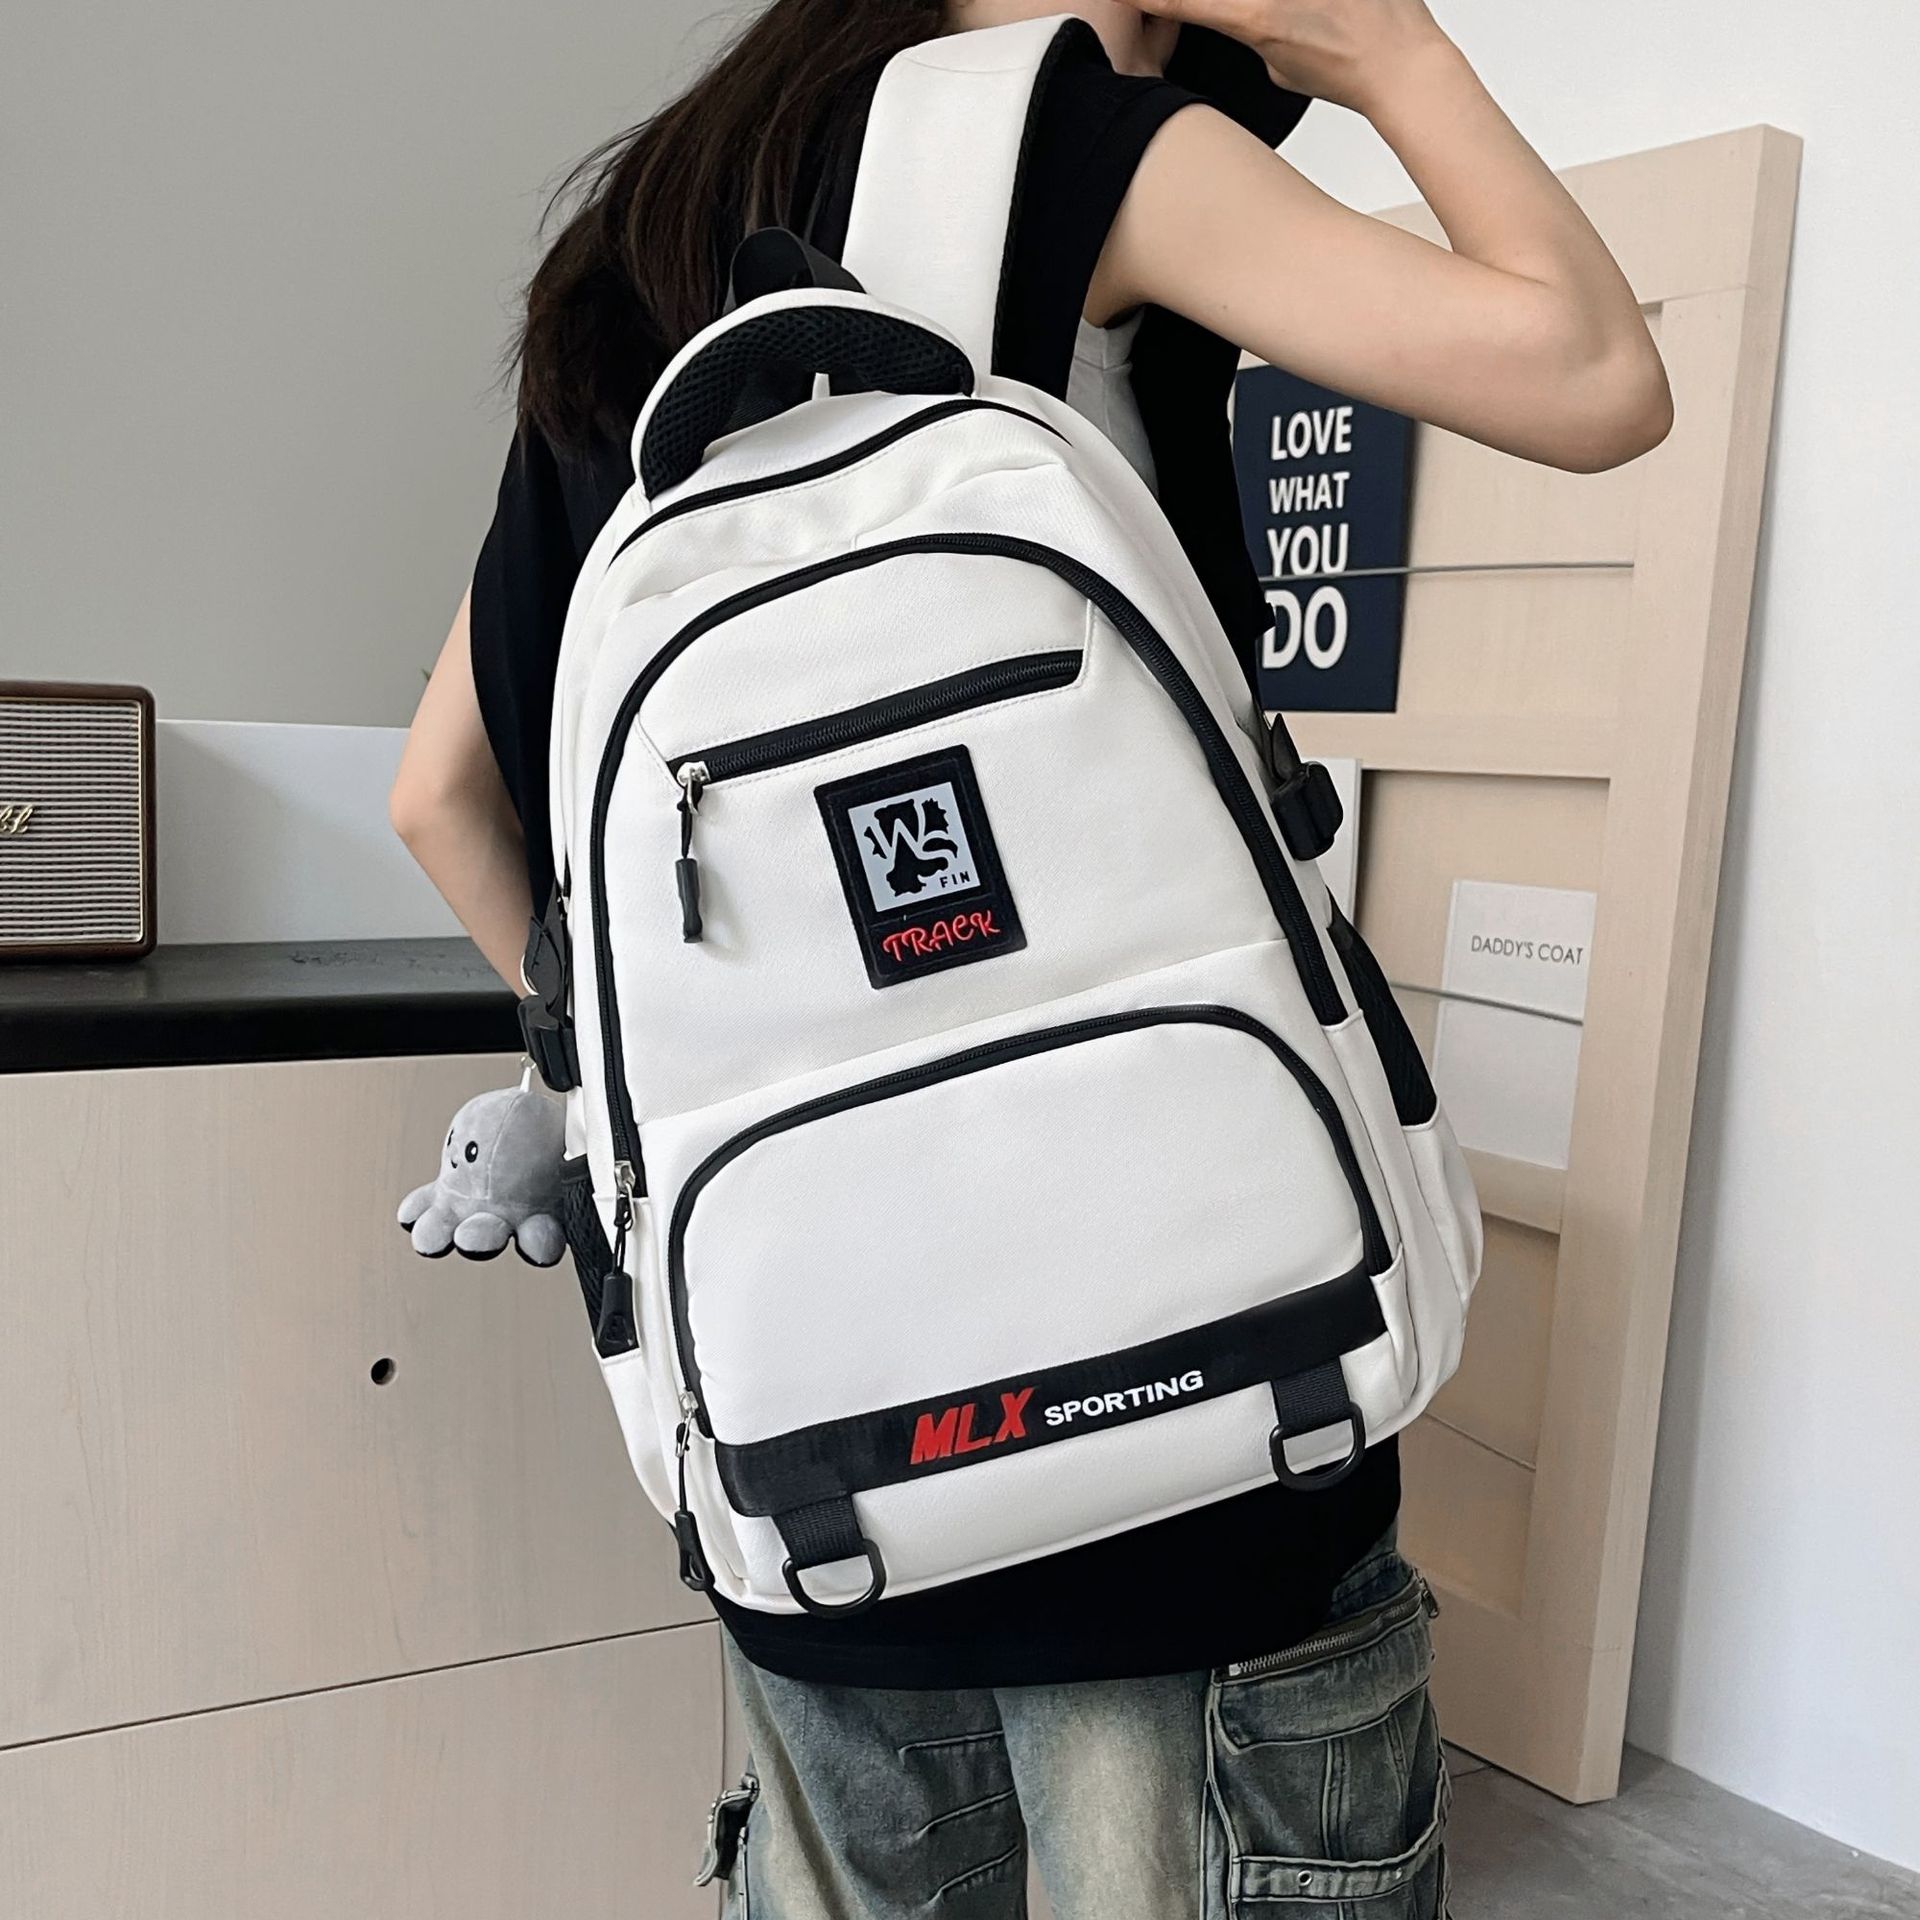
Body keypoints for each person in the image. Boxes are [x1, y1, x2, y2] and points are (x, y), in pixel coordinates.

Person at [393, 2, 1668, 1913]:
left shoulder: (647, 231)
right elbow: (1595, 373)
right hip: (1201, 1448)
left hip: (816, 1482)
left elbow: (441, 800)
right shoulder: (1088, 148)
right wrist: (1389, 52)